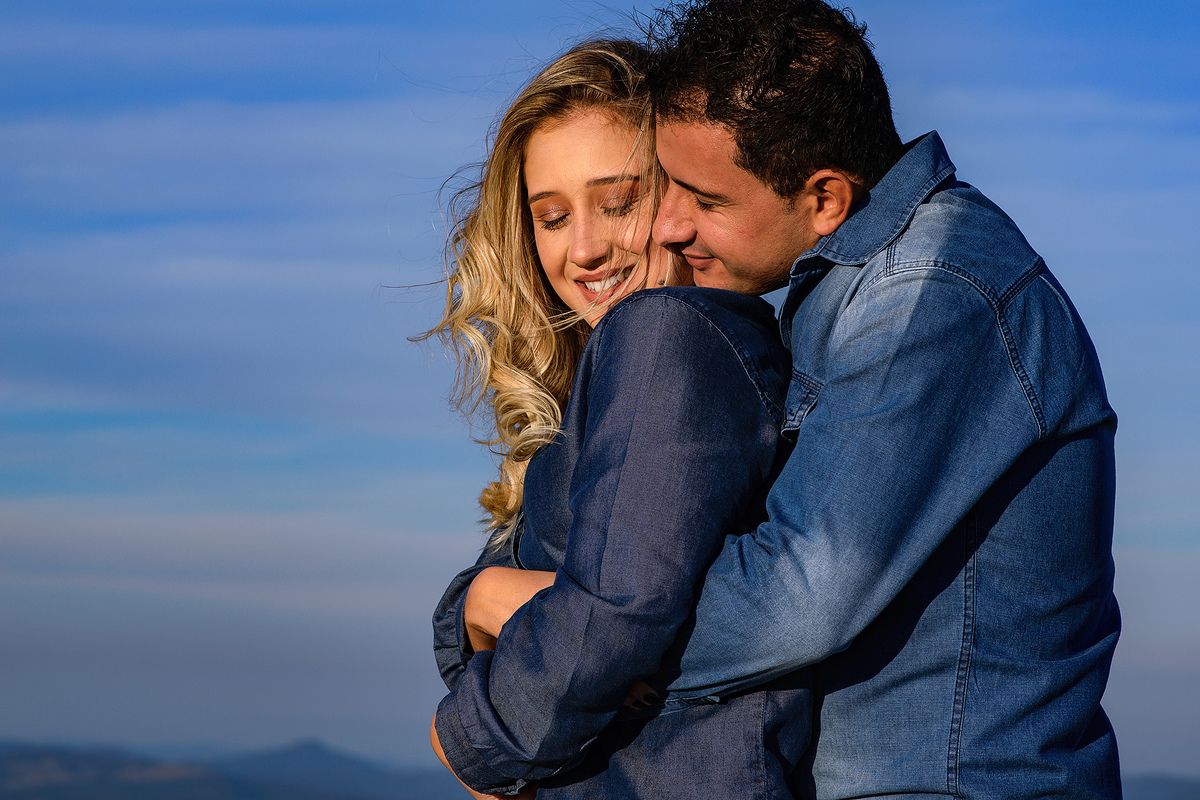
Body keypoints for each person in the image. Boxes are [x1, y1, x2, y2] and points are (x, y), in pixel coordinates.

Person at [640, 0, 1123, 797]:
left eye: (706, 199)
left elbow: (798, 598)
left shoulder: (930, 293)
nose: (667, 225)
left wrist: (567, 637)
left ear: (826, 198)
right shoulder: (851, 289)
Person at [424, 40, 810, 799]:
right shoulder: (645, 362)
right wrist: (476, 599)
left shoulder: (667, 330)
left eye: (618, 201)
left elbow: (616, 613)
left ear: (679, 197)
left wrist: (468, 742)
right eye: (553, 216)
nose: (585, 248)